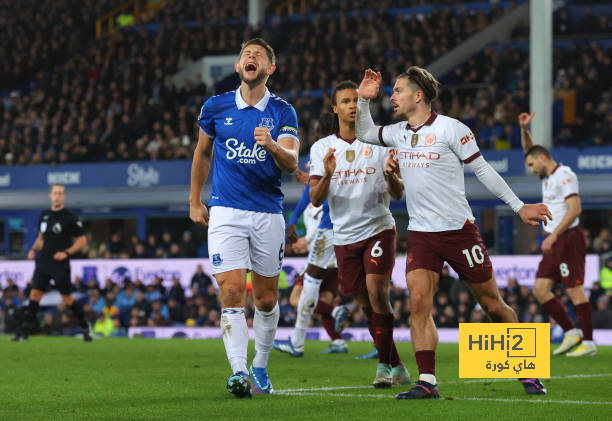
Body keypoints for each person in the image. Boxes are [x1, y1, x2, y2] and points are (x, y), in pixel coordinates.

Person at [356, 67, 552, 398]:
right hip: (421, 234)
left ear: (418, 96)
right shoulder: (398, 132)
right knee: (418, 302)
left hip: (460, 232)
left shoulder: (452, 129)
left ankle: (527, 369)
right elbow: (363, 133)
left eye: (398, 90)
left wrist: (519, 207)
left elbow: (483, 170)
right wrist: (363, 101)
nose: (392, 96)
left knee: (492, 305)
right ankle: (427, 381)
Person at [189, 38, 300, 398]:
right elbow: (202, 154)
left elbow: (292, 162)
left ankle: (261, 365)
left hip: (268, 212)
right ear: (238, 67)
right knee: (232, 291)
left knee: (266, 300)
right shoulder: (216, 106)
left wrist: (271, 145)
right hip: (225, 210)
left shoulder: (283, 111)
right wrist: (195, 200)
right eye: (246, 55)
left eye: (260, 56)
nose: (251, 58)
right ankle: (238, 372)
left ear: (270, 69)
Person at [308, 81, 410, 388]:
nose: (352, 105)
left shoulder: (380, 142)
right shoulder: (321, 149)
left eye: (356, 100)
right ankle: (397, 364)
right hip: (344, 236)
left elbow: (399, 193)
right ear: (335, 109)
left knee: (378, 292)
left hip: (379, 228)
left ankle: (382, 367)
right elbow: (314, 199)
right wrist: (327, 174)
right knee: (365, 303)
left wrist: (392, 177)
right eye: (346, 101)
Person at [519, 111, 596, 357]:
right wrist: (524, 130)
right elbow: (531, 151)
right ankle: (571, 332)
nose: (531, 169)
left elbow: (575, 209)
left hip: (568, 239)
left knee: (575, 290)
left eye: (532, 165)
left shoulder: (564, 175)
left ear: (543, 158)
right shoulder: (547, 174)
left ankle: (590, 343)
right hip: (554, 241)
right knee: (540, 289)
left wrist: (552, 236)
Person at [11, 184, 91, 342]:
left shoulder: (69, 217)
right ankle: (24, 332)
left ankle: (85, 326)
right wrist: (33, 249)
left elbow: (82, 241)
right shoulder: (44, 215)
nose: (57, 196)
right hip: (44, 262)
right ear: (50, 195)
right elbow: (41, 238)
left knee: (67, 299)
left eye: (60, 193)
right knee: (34, 295)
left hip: (59, 263)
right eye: (55, 193)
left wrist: (66, 252)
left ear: (64, 197)